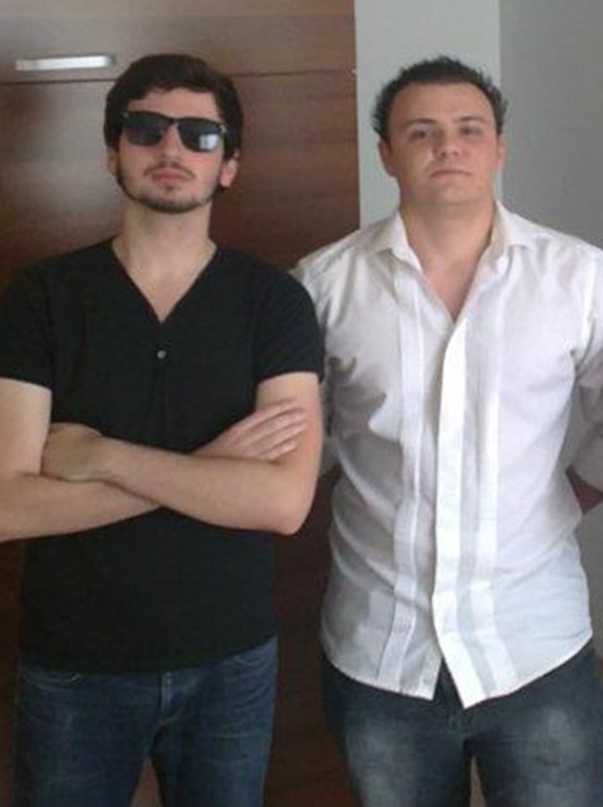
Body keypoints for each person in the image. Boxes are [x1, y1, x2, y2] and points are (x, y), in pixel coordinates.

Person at [0, 53, 323, 807]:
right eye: (146, 129)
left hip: (230, 661)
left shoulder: (274, 303)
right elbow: (9, 506)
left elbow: (282, 503)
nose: (171, 147)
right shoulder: (41, 298)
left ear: (228, 166)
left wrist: (100, 456)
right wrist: (213, 464)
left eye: (199, 135)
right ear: (113, 153)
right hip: (75, 663)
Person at [295, 56, 603, 807]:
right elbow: (303, 443)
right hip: (379, 649)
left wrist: (571, 491)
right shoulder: (323, 284)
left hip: (534, 644)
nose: (448, 147)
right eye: (421, 132)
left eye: (469, 129)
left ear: (499, 148)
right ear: (386, 154)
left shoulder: (578, 277)